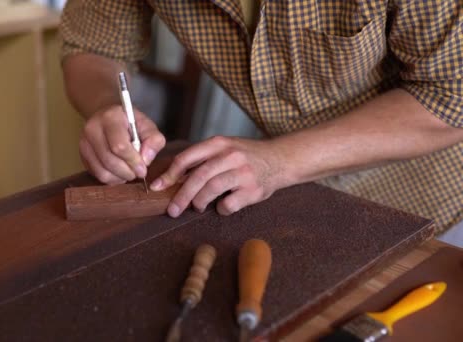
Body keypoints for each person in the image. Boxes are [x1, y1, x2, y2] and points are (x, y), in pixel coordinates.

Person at [59, 0, 463, 245]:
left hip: (440, 200)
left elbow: (453, 95)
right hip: (309, 202)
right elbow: (92, 45)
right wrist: (106, 105)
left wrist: (280, 161)